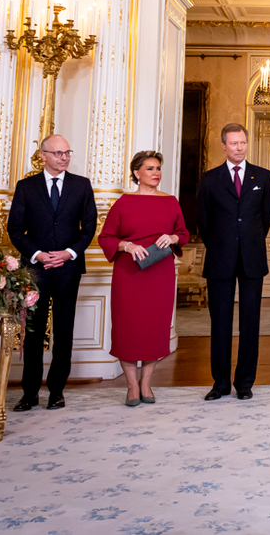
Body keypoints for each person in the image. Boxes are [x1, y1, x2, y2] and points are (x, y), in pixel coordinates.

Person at [7, 134, 98, 412]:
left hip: (68, 269)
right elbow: (15, 229)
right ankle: (30, 393)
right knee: (33, 333)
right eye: (58, 153)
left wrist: (69, 253)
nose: (64, 157)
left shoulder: (81, 186)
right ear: (43, 155)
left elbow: (89, 227)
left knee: (64, 330)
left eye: (67, 152)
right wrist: (38, 254)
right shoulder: (26, 187)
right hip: (35, 270)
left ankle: (57, 391)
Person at [98, 150, 190, 407]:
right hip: (129, 274)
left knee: (154, 329)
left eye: (158, 168)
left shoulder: (171, 201)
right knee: (128, 329)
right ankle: (131, 386)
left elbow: (183, 233)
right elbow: (105, 237)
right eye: (150, 168)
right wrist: (127, 246)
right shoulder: (124, 203)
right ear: (136, 173)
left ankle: (146, 383)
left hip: (159, 274)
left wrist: (172, 238)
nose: (156, 173)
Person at [195, 123, 270, 402]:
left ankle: (244, 383)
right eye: (233, 143)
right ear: (223, 145)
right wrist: (222, 243)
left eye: (243, 143)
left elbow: (265, 218)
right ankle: (220, 383)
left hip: (253, 259)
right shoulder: (209, 179)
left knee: (250, 323)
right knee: (220, 323)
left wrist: (246, 242)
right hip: (220, 258)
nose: (239, 148)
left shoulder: (262, 176)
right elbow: (203, 220)